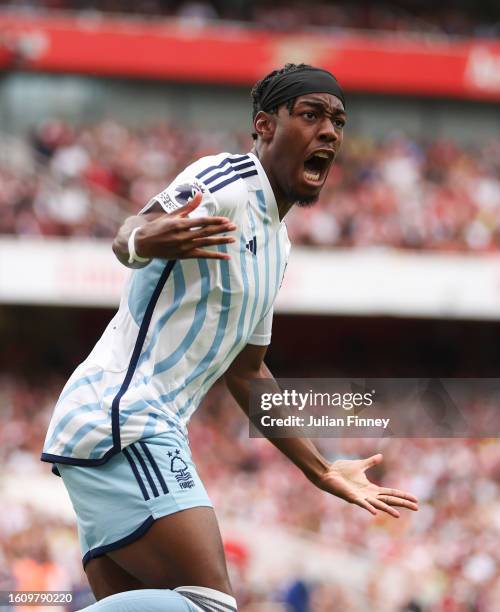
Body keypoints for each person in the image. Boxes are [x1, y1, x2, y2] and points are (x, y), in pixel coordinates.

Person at [41, 63, 418, 612]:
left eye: (338, 120)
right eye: (311, 115)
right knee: (210, 605)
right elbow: (129, 234)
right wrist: (147, 239)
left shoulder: (278, 245)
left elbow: (246, 371)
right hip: (123, 419)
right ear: (264, 126)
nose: (330, 132)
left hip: (123, 424)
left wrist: (321, 469)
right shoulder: (223, 182)